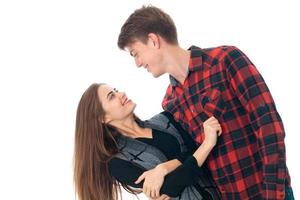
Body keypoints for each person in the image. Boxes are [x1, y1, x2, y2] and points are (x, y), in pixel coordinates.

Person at [117, 5, 294, 200]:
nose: (138, 63)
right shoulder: (171, 102)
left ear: (153, 41)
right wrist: (163, 170)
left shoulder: (225, 60)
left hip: (268, 192)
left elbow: (269, 126)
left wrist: (272, 195)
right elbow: (196, 154)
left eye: (135, 53)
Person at [74, 83, 222, 200]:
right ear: (103, 118)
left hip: (225, 192)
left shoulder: (165, 119)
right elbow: (170, 187)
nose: (121, 94)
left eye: (116, 90)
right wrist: (207, 144)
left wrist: (163, 169)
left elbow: (195, 148)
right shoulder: (118, 162)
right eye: (111, 96)